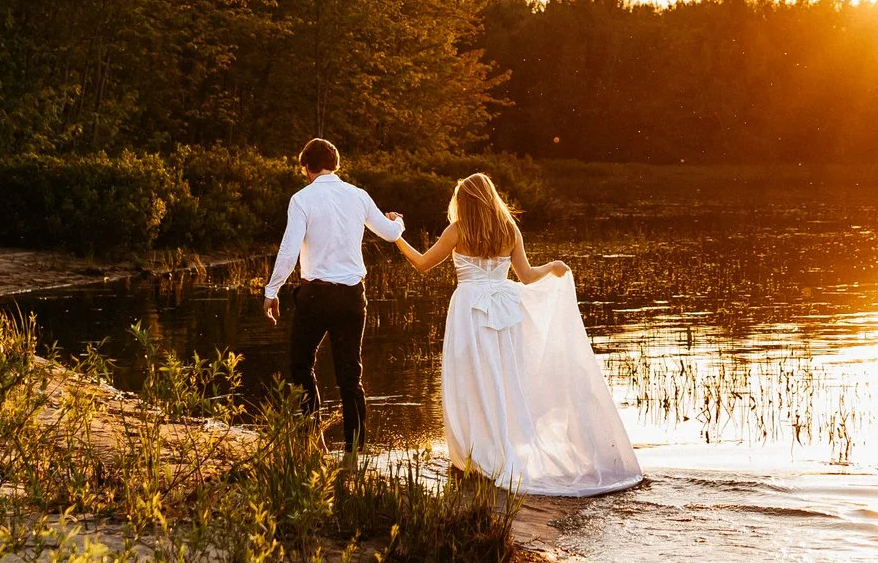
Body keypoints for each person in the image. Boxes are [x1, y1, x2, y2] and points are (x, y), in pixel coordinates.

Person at [395, 172, 642, 495]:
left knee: (472, 382)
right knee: (503, 380)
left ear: (464, 201)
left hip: (470, 312)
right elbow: (526, 277)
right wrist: (551, 266)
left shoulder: (457, 230)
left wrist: (396, 236)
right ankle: (501, 446)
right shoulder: (509, 229)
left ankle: (480, 452)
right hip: (504, 313)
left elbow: (423, 263)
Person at [263, 137, 405, 450]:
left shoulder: (302, 199)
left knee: (301, 365)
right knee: (350, 375)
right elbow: (391, 233)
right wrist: (399, 222)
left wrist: (271, 290)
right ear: (336, 165)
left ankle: (312, 440)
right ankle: (356, 451)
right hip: (353, 297)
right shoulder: (358, 196)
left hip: (315, 297)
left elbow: (289, 251)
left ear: (305, 167)